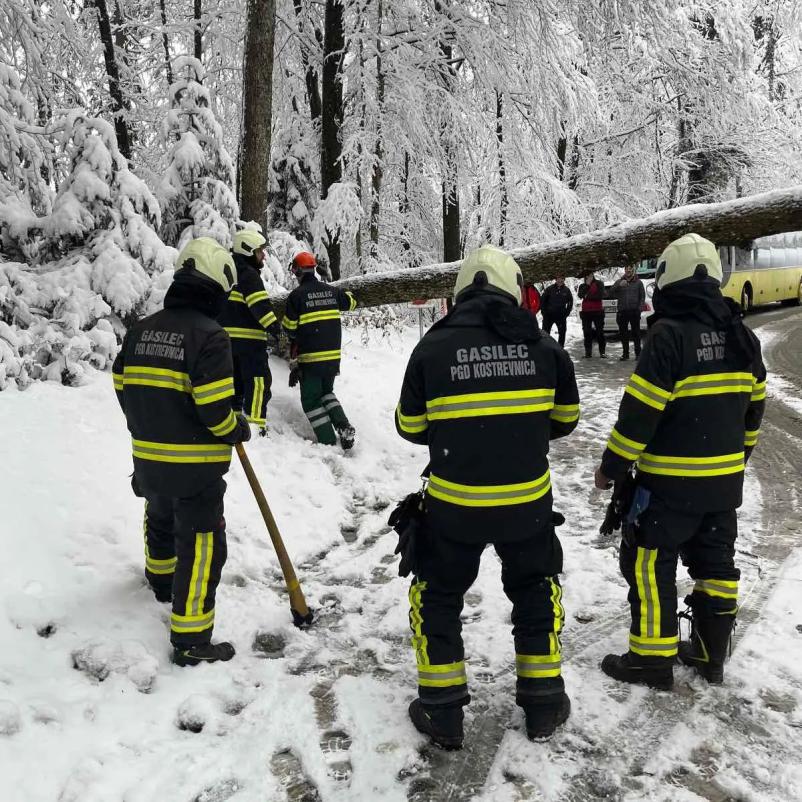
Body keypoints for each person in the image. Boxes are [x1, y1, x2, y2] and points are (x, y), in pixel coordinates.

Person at [394, 245, 580, 749]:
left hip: (456, 507)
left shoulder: (432, 349)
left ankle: (441, 710)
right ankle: (543, 703)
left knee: (438, 596)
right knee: (536, 590)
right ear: (515, 290)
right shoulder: (545, 347)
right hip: (527, 505)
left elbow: (410, 427)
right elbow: (565, 422)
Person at [594, 233, 766, 689]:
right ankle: (711, 655)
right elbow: (755, 410)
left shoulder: (668, 337)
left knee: (650, 565)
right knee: (716, 565)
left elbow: (640, 415)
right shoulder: (743, 337)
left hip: (667, 488)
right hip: (722, 486)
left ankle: (651, 660)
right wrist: (735, 460)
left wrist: (610, 468)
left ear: (667, 281)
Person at [112, 238, 252, 666]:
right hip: (196, 467)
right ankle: (192, 639)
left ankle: (160, 582)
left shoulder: (141, 329)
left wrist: (152, 422)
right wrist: (237, 427)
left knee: (159, 515)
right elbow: (215, 411)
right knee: (203, 545)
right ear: (216, 288)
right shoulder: (211, 337)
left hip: (149, 458)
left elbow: (122, 384)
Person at [282, 251, 358, 449]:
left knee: (311, 401)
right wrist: (332, 282)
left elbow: (288, 328)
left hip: (310, 358)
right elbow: (351, 302)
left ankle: (328, 442)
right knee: (327, 393)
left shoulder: (296, 296)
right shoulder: (331, 291)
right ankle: (344, 427)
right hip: (332, 357)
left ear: (297, 271)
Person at [218, 229, 280, 434]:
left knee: (234, 381)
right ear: (247, 250)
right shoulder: (249, 274)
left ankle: (235, 420)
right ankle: (255, 425)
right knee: (258, 381)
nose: (263, 255)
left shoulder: (226, 271)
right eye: (260, 251)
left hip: (224, 341)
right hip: (249, 342)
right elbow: (260, 307)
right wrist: (278, 330)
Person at [615, 265, 646, 361]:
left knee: (636, 334)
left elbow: (642, 297)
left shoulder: (638, 282)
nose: (628, 270)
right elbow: (610, 293)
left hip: (634, 312)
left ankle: (638, 354)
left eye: (630, 269)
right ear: (624, 270)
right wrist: (619, 285)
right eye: (627, 269)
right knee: (623, 334)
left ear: (633, 270)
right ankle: (625, 354)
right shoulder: (619, 281)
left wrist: (639, 309)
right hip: (622, 311)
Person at [577, 274, 606, 358]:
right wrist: (587, 285)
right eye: (587, 275)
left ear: (593, 275)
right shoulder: (583, 285)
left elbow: (600, 295)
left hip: (598, 311)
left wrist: (587, 296)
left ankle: (602, 352)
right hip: (586, 312)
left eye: (590, 275)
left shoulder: (599, 283)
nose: (588, 277)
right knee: (587, 332)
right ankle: (588, 353)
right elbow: (580, 295)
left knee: (600, 332)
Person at [540, 275, 573, 347]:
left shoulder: (566, 290)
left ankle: (561, 349)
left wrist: (566, 313)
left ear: (564, 280)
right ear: (556, 279)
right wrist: (544, 313)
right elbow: (542, 301)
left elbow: (570, 302)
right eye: (558, 279)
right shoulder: (549, 289)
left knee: (562, 333)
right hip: (549, 316)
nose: (560, 280)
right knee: (545, 334)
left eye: (562, 279)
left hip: (561, 316)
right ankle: (546, 348)